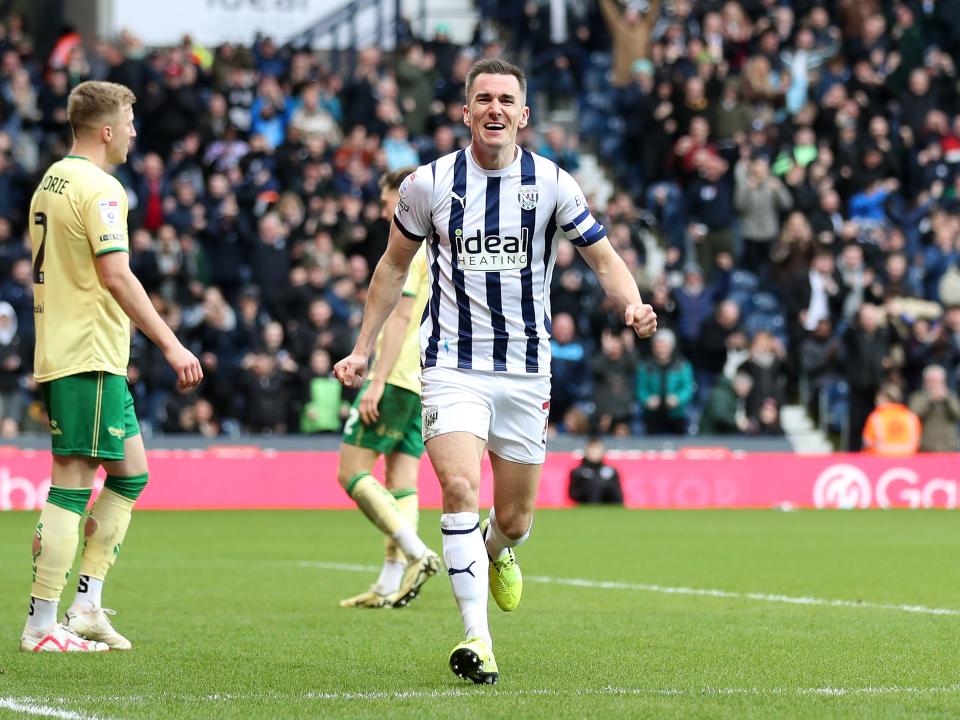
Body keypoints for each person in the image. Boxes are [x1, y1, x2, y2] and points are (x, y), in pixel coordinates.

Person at [335, 59, 657, 684]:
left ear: (524, 114)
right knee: (458, 488)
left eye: (506, 99)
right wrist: (363, 347)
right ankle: (476, 639)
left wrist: (634, 302)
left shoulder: (553, 184)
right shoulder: (429, 185)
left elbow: (603, 258)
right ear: (465, 111)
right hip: (452, 364)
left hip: (526, 372)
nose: (495, 109)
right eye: (483, 98)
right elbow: (392, 269)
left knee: (514, 520)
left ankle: (498, 550)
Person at [20, 81, 204, 652]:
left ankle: (87, 603)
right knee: (71, 486)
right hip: (88, 353)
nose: (133, 131)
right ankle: (41, 625)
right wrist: (172, 343)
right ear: (105, 129)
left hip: (79, 349)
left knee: (130, 475)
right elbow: (117, 274)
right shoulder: (101, 188)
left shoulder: (51, 179)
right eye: (128, 121)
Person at [335, 167, 440, 609]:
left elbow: (400, 317)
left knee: (350, 471)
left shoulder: (412, 250)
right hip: (426, 377)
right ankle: (389, 582)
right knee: (401, 479)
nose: (385, 214)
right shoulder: (439, 247)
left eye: (386, 204)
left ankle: (417, 553)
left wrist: (376, 381)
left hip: (396, 377)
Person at [908, 365, 960, 451]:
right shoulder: (918, 397)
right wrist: (929, 400)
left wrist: (947, 400)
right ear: (925, 382)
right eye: (931, 381)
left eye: (937, 381)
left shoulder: (951, 397)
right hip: (925, 446)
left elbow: (957, 415)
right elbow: (913, 416)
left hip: (949, 446)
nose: (934, 385)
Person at [861, 384, 921, 457]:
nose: (875, 402)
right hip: (907, 460)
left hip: (881, 460)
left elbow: (868, 442)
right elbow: (917, 442)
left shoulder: (876, 417)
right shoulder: (911, 417)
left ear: (884, 399)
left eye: (877, 399)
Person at [568, 437, 623, 505]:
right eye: (592, 450)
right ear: (586, 451)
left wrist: (604, 486)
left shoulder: (611, 472)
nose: (594, 453)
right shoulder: (578, 472)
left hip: (608, 507)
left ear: (602, 452)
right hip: (586, 507)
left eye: (597, 449)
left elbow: (619, 496)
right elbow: (573, 494)